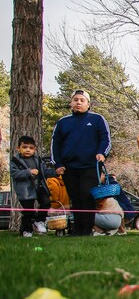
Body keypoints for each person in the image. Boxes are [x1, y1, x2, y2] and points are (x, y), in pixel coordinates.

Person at [51, 89, 112, 236]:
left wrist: (102, 153)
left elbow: (106, 139)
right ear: (71, 103)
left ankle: (87, 229)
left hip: (90, 166)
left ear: (88, 104)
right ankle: (77, 230)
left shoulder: (97, 119)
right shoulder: (63, 122)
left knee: (87, 196)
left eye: (82, 100)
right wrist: (57, 164)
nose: (78, 102)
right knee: (75, 198)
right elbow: (55, 144)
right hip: (69, 167)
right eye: (76, 100)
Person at [10, 136, 57, 237]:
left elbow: (44, 172)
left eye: (31, 148)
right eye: (25, 147)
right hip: (25, 190)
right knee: (28, 211)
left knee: (46, 203)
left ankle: (39, 221)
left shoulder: (38, 159)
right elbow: (15, 174)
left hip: (39, 187)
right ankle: (27, 230)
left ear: (35, 149)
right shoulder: (15, 161)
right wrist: (29, 172)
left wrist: (55, 172)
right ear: (18, 148)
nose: (28, 150)